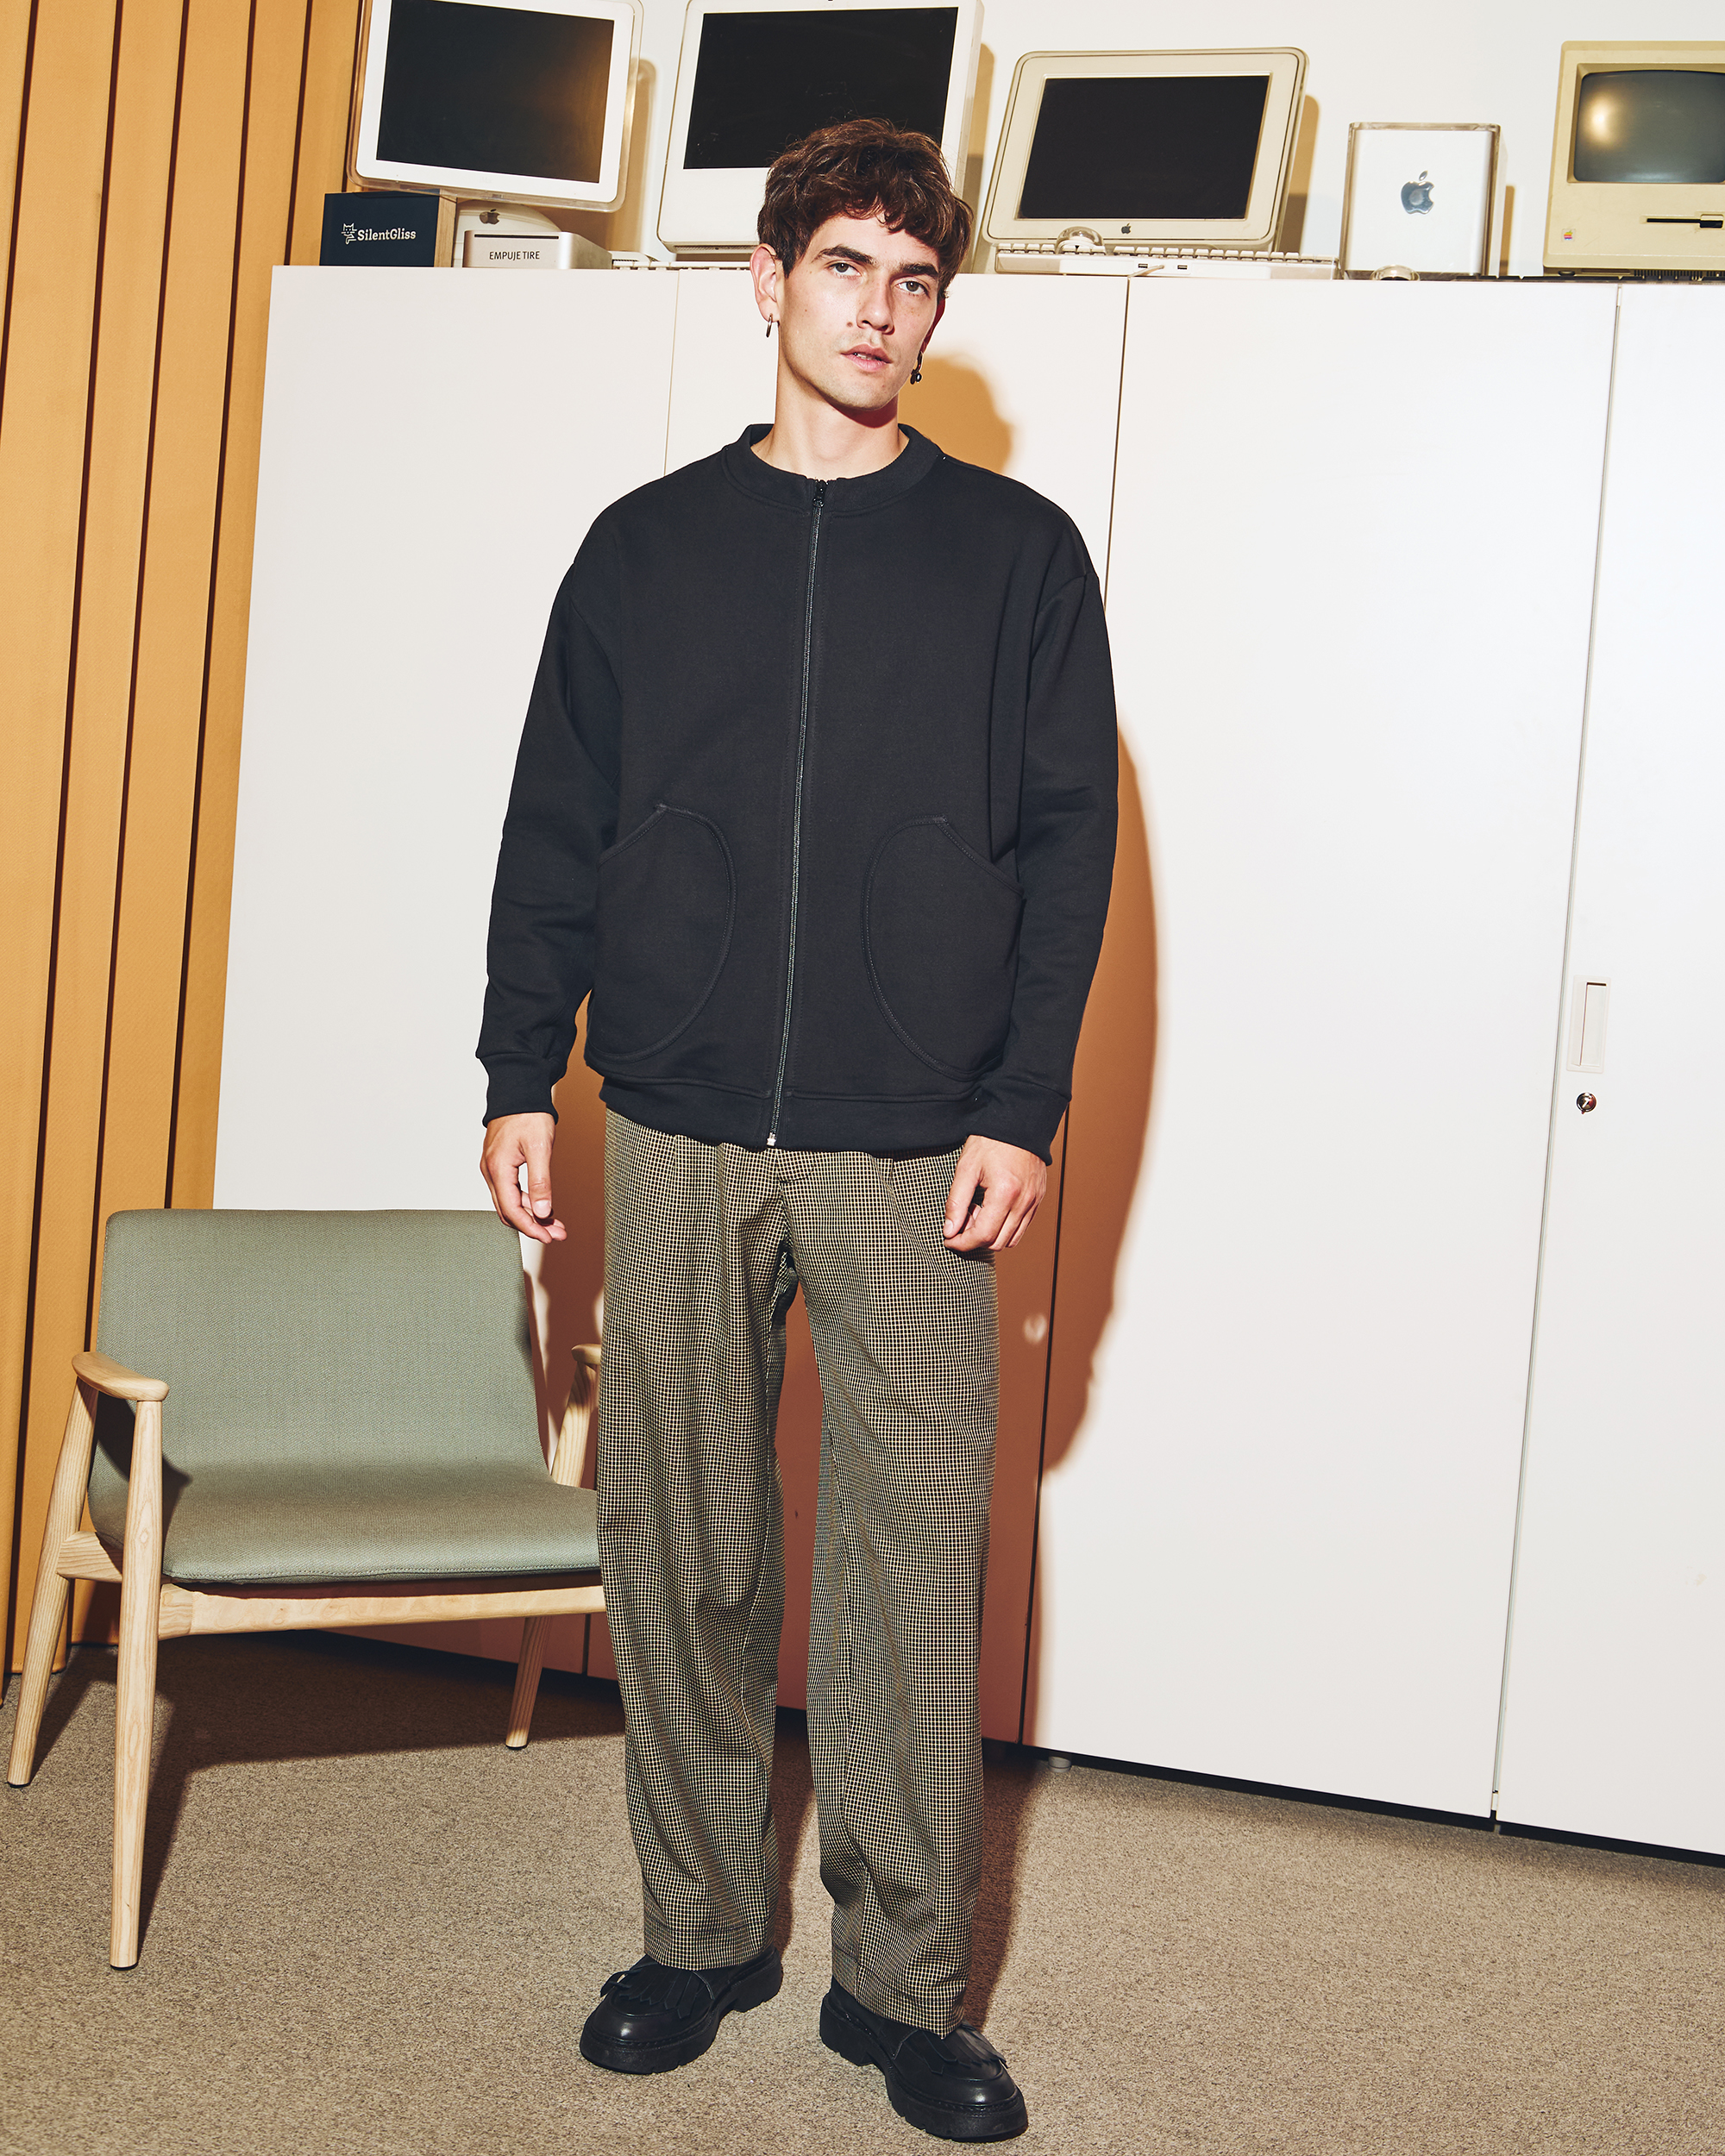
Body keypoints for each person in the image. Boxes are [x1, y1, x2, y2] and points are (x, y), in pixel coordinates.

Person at [477, 117, 1116, 2144]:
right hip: (675, 1118)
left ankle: (905, 1989)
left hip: (919, 1144)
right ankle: (696, 1936)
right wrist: (517, 1067)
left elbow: (1070, 853)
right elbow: (555, 819)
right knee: (681, 1550)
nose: (879, 310)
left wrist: (1019, 1105)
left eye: (914, 281)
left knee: (916, 1574)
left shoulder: (1018, 557)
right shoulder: (643, 549)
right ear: (766, 282)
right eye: (844, 266)